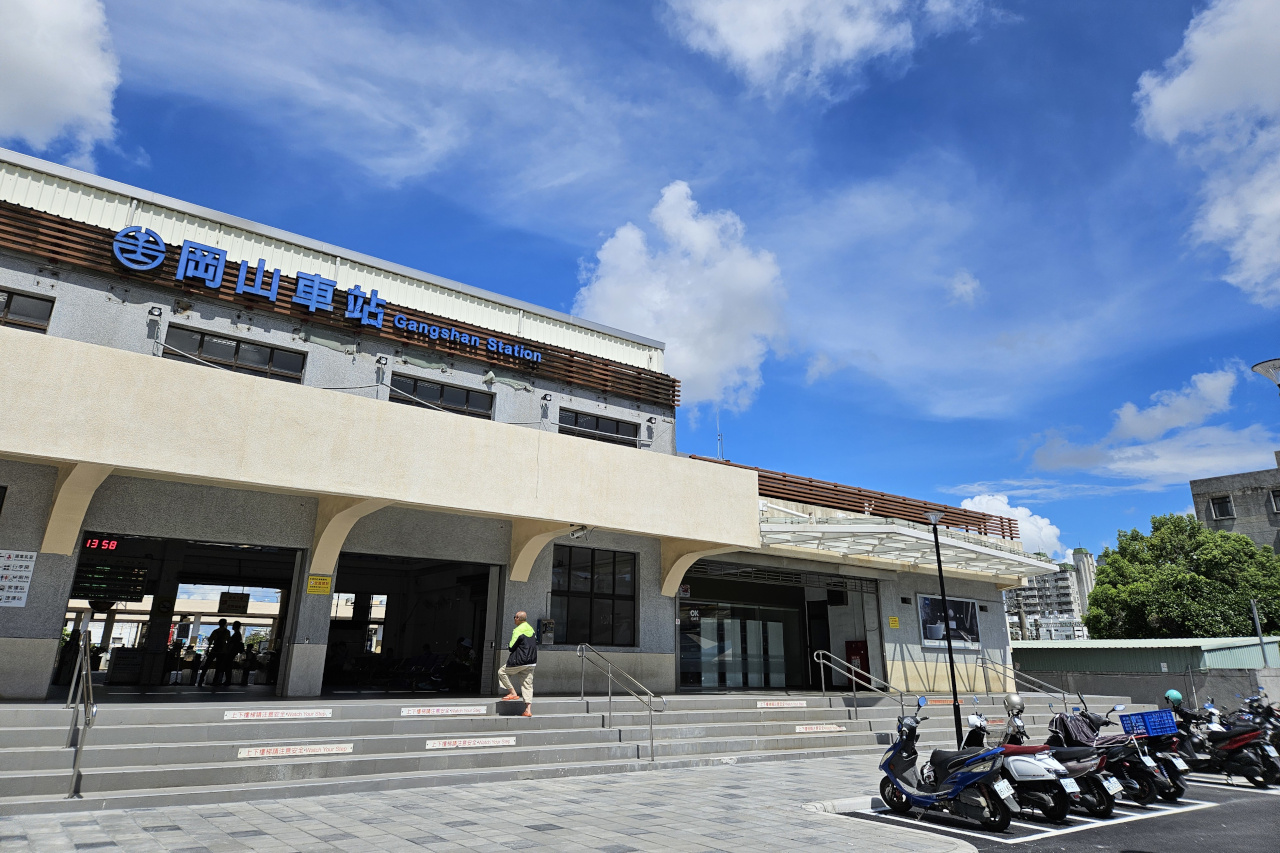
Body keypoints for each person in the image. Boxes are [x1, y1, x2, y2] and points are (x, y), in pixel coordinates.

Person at [497, 611, 537, 717]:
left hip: (519, 660)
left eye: (514, 617)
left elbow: (511, 647)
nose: (514, 619)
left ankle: (512, 692)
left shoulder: (518, 630)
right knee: (527, 685)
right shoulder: (531, 629)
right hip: (531, 661)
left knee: (502, 672)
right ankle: (528, 710)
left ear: (518, 618)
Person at [203, 619, 232, 688]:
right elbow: (229, 642)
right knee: (218, 667)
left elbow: (210, 641)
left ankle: (201, 679)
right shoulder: (227, 632)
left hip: (214, 650)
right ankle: (215, 681)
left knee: (207, 665)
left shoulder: (215, 631)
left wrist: (207, 650)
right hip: (222, 651)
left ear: (219, 623)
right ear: (225, 624)